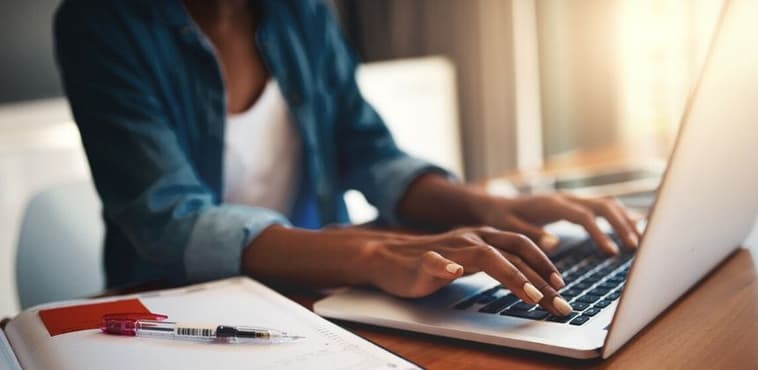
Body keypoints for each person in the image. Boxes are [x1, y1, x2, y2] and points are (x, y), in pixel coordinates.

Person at [54, 0, 640, 317]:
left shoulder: (301, 12)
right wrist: (374, 252)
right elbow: (168, 221)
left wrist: (486, 205)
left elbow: (366, 148)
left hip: (313, 290)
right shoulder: (99, 22)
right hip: (171, 313)